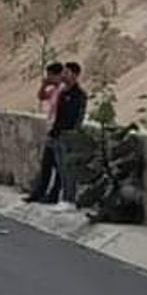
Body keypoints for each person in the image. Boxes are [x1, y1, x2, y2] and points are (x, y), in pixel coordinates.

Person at [49, 62, 88, 210]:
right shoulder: (63, 93)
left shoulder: (79, 95)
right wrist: (53, 133)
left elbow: (77, 117)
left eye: (66, 72)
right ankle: (64, 197)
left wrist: (73, 134)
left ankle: (70, 199)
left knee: (69, 169)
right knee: (60, 168)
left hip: (70, 136)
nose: (63, 75)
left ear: (74, 74)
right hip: (58, 135)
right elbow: (58, 116)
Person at [25, 62, 66, 204]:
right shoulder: (54, 90)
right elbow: (41, 96)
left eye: (50, 75)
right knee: (47, 163)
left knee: (58, 166)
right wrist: (44, 85)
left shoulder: (63, 90)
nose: (48, 77)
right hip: (51, 129)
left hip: (59, 131)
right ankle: (40, 192)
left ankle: (54, 194)